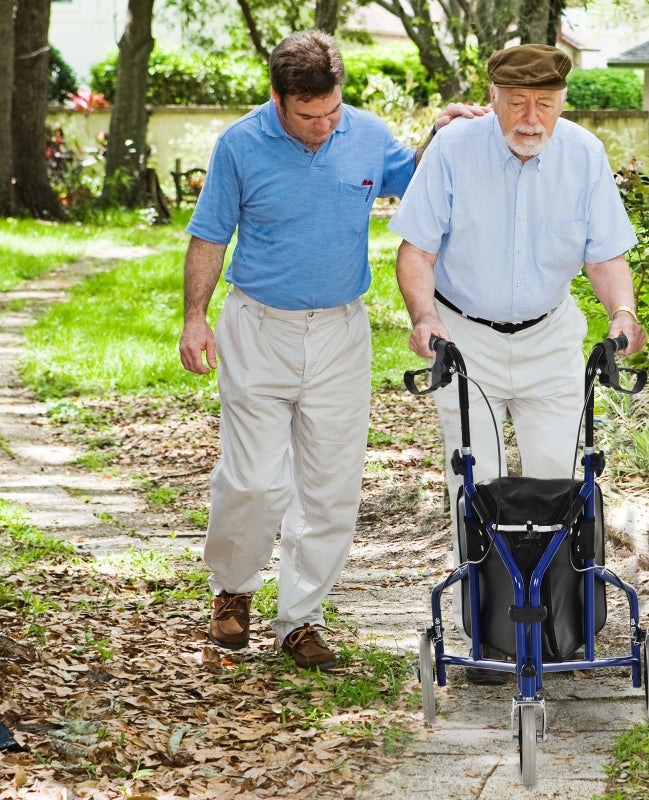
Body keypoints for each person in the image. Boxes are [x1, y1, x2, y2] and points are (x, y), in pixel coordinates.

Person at [178, 30, 484, 671]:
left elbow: (420, 180)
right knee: (257, 481)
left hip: (342, 331)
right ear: (277, 99)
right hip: (258, 326)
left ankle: (301, 620)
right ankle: (232, 588)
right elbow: (209, 236)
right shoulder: (240, 144)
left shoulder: (366, 134)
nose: (322, 126)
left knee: (331, 487)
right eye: (307, 115)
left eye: (331, 112)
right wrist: (195, 318)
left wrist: (445, 132)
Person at [389, 43, 647, 682]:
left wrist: (623, 312)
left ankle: (559, 625)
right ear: (494, 101)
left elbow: (605, 253)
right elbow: (415, 251)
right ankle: (485, 632)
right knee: (475, 481)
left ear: (562, 103)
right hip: (465, 334)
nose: (532, 118)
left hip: (550, 335)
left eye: (546, 104)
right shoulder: (452, 151)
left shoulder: (584, 153)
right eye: (518, 103)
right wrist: (425, 319)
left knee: (562, 481)